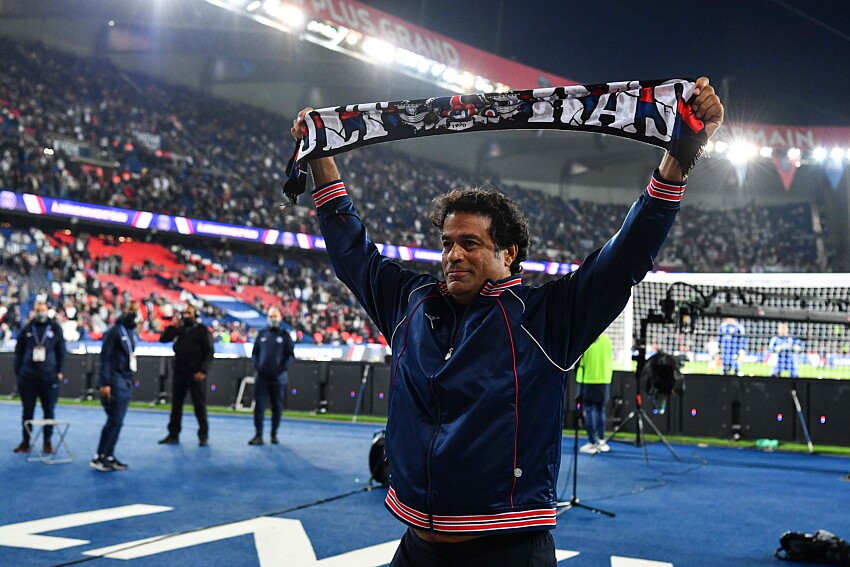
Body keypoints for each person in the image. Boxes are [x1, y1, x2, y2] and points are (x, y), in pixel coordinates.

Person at [291, 76, 723, 566]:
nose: (453, 254)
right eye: (447, 243)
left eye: (470, 243)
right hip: (416, 548)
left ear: (508, 253)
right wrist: (320, 155)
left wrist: (681, 153)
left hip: (510, 552)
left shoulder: (547, 317)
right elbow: (352, 251)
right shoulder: (411, 304)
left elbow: (627, 255)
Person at [91, 301, 140, 472]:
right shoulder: (114, 332)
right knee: (115, 420)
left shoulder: (131, 332)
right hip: (114, 380)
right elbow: (105, 358)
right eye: (130, 309)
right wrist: (104, 383)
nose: (133, 313)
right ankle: (101, 456)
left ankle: (108, 455)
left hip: (125, 379)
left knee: (117, 421)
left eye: (135, 310)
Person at [12, 300, 65, 454]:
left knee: (49, 411)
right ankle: (25, 442)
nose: (40, 312)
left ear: (47, 310)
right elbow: (19, 352)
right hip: (28, 377)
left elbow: (61, 351)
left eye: (42, 309)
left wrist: (59, 371)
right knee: (27, 412)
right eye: (37, 309)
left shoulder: (55, 328)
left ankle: (47, 442)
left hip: (49, 377)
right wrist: (19, 372)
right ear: (34, 311)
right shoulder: (27, 328)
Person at [157, 304, 213, 446]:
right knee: (176, 405)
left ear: (195, 314)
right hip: (180, 373)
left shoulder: (202, 330)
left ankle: (203, 435)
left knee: (199, 406)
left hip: (196, 374)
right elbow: (163, 339)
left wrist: (203, 371)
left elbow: (209, 352)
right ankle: (173, 434)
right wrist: (172, 326)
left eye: (189, 312)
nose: (186, 315)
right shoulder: (179, 329)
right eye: (184, 313)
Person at [248, 306, 296, 445]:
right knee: (259, 408)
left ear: (280, 317)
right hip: (262, 378)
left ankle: (274, 434)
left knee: (277, 407)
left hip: (278, 379)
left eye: (275, 315)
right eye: (271, 316)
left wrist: (281, 369)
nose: (273, 318)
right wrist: (258, 366)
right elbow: (254, 353)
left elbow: (290, 356)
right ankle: (258, 435)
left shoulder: (285, 335)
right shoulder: (262, 334)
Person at [575, 332, 614, 454]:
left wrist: (578, 384)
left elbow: (580, 364)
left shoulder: (586, 340)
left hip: (588, 380)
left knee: (590, 410)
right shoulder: (607, 341)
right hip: (604, 381)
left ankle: (592, 442)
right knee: (600, 410)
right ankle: (601, 441)